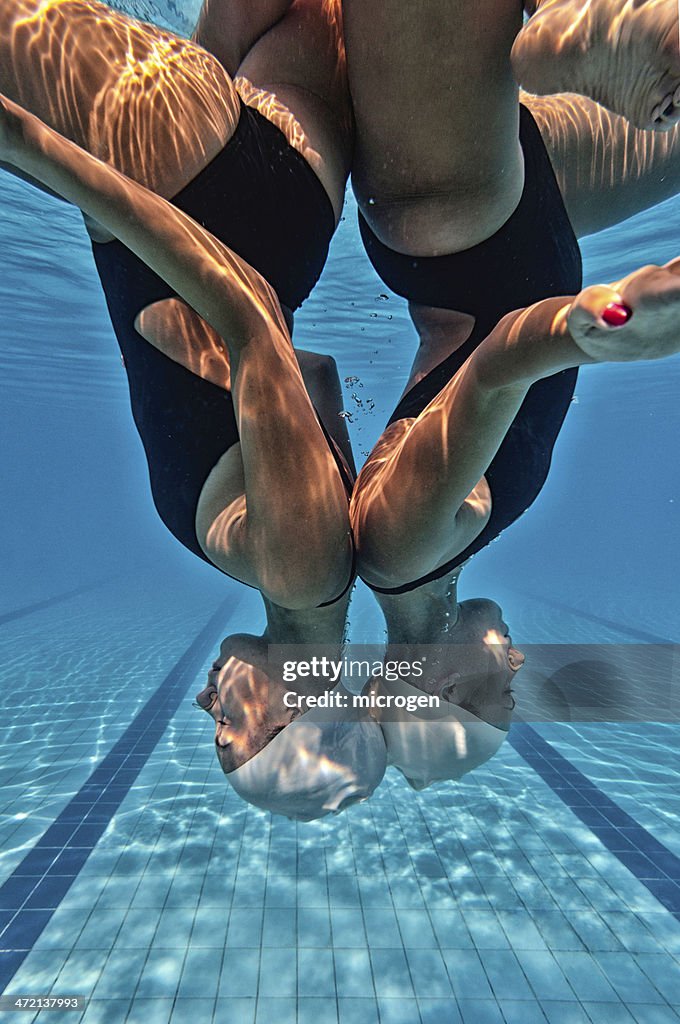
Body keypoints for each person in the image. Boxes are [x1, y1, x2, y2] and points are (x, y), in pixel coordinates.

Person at [0, 0, 390, 817]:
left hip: (272, 195)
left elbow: (308, 369)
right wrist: (43, 153)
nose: (207, 709)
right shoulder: (293, 569)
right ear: (292, 715)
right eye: (228, 733)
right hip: (182, 173)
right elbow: (248, 321)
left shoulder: (319, 577)